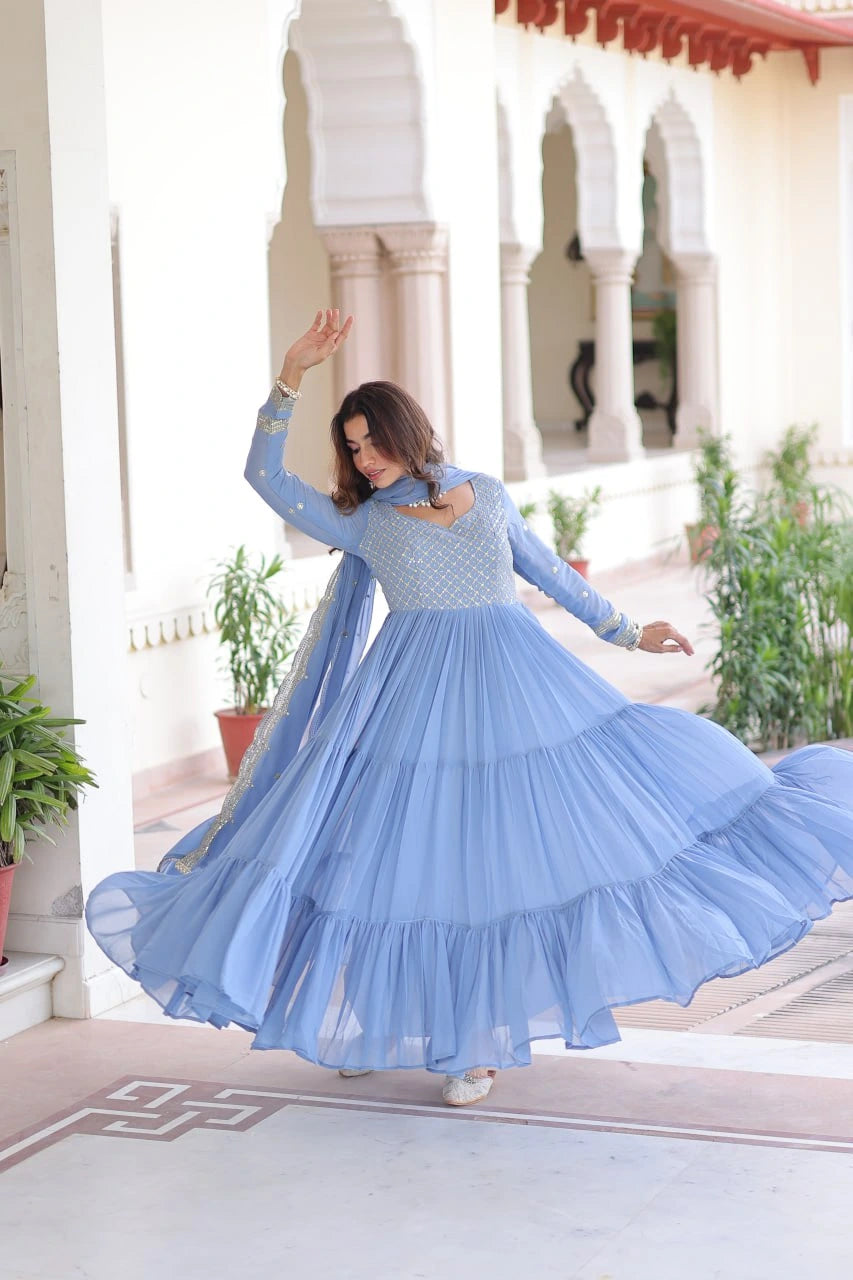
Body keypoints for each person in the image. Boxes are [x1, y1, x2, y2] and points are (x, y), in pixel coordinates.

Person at [87, 310, 853, 1108]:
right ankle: (370, 1024)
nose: (363, 458)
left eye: (372, 442)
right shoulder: (360, 523)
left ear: (406, 433)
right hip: (406, 709)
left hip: (514, 694)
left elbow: (548, 571)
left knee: (487, 865)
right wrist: (290, 375)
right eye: (351, 448)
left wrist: (627, 631)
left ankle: (473, 1049)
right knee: (388, 867)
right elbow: (265, 479)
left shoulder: (484, 495)